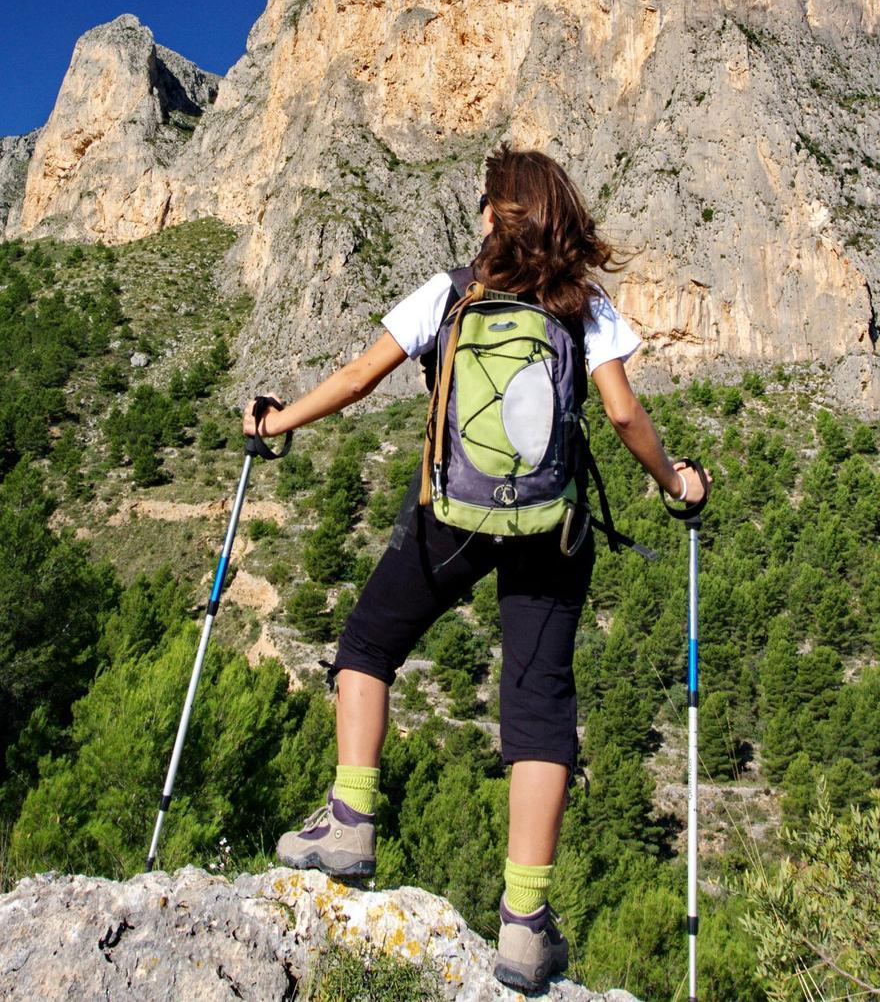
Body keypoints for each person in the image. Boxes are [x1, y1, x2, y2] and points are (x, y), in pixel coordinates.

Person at [244, 143, 712, 993]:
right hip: (552, 529)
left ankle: (351, 821)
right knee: (539, 711)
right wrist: (673, 479)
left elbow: (355, 381)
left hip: (450, 515)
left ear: (493, 215)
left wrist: (276, 426)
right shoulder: (583, 308)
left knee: (368, 646)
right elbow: (622, 411)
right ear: (557, 213)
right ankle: (526, 925)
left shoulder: (450, 292)